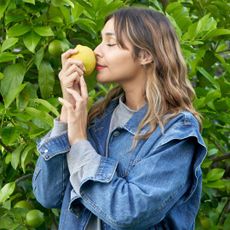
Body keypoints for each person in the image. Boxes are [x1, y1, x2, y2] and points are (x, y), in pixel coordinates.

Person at [32, 6, 207, 230]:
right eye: (100, 41)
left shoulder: (176, 132)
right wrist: (68, 112)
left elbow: (129, 212)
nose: (96, 51)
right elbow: (48, 195)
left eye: (110, 43)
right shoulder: (97, 118)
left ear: (145, 55)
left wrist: (78, 142)